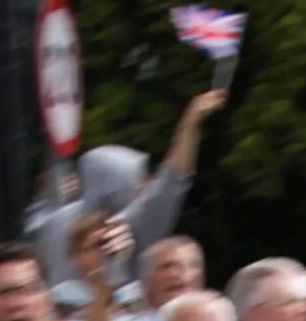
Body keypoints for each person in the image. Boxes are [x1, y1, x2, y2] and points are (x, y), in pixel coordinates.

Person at [24, 92, 226, 288]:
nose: (144, 186)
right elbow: (172, 182)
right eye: (137, 178)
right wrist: (190, 123)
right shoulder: (123, 224)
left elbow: (33, 223)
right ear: (112, 185)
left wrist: (47, 193)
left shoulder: (55, 221)